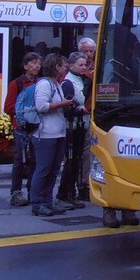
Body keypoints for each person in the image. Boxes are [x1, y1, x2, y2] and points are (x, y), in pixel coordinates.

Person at [29, 53, 76, 217]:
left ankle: (48, 201)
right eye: (63, 66)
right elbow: (41, 106)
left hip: (57, 132)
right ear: (56, 67)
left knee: (54, 169)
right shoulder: (45, 84)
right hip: (45, 133)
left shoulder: (56, 83)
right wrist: (64, 103)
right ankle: (37, 203)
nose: (65, 68)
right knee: (43, 168)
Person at [3, 52, 42, 207]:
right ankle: (16, 192)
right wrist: (26, 110)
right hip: (21, 128)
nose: (36, 66)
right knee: (20, 160)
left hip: (37, 127)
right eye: (32, 63)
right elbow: (8, 107)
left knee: (35, 160)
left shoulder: (41, 83)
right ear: (25, 66)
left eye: (38, 63)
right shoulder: (17, 84)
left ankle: (32, 190)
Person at [56, 52, 91, 209]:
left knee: (77, 161)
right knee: (70, 162)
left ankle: (72, 192)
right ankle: (64, 194)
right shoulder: (68, 83)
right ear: (70, 65)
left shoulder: (83, 79)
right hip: (72, 127)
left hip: (81, 126)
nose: (84, 67)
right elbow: (66, 109)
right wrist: (81, 109)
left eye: (85, 65)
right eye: (80, 65)